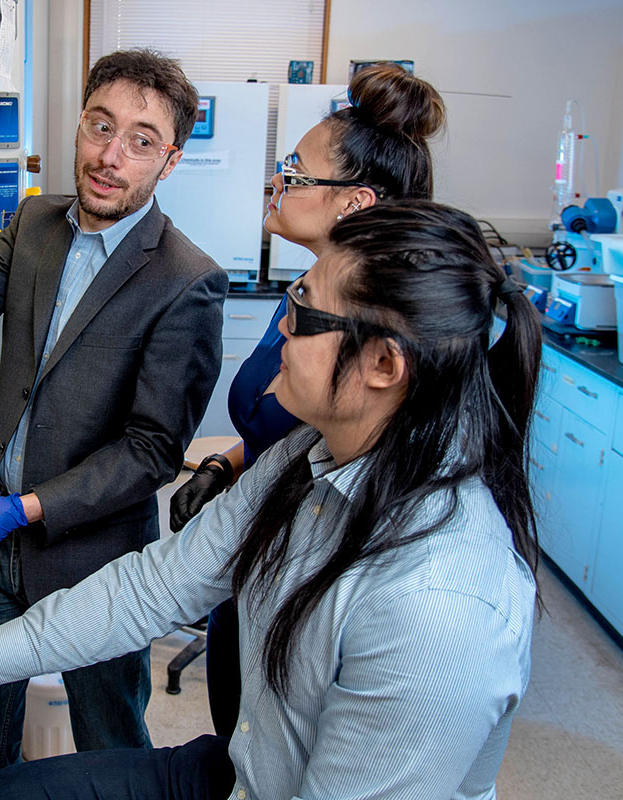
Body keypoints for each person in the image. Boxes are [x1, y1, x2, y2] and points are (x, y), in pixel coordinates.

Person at [0, 200, 543, 800]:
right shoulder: (306, 459)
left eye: (305, 312)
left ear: (384, 364)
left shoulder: (439, 609)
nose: (281, 327)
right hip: (244, 770)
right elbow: (153, 587)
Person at [0, 49, 228, 793]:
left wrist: (26, 508)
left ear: (170, 160)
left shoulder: (186, 280)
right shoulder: (36, 222)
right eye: (100, 126)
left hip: (96, 563)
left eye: (139, 139)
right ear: (79, 123)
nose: (109, 155)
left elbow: (152, 450)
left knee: (112, 747)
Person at [169, 62, 447, 738]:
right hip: (255, 549)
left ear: (353, 204)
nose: (277, 182)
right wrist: (226, 467)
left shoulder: (364, 340)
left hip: (303, 578)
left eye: (294, 171)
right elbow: (290, 431)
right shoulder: (307, 294)